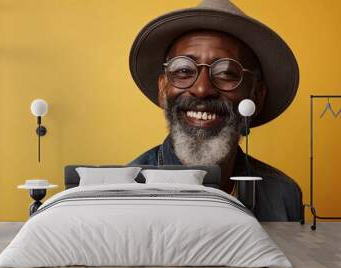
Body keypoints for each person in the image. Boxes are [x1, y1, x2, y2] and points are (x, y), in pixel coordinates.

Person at [128, 0, 303, 221]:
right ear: (163, 89)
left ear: (256, 97)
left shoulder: (283, 196)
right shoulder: (127, 193)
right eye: (183, 70)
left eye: (227, 73)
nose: (202, 89)